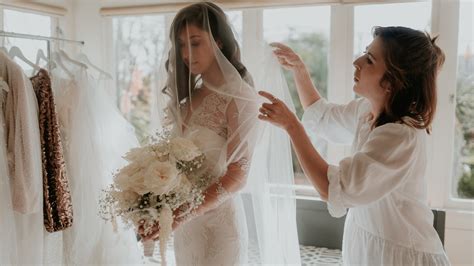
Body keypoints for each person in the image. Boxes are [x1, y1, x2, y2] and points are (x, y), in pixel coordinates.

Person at [259, 26, 450, 265]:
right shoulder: (367, 112)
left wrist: (292, 127)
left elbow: (333, 188)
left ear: (391, 82)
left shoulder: (400, 136)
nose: (356, 62)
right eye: (364, 53)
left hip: (400, 255)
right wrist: (299, 70)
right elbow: (324, 116)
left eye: (369, 60)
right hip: (368, 244)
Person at [140, 2, 301, 265]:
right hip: (185, 229)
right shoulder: (188, 100)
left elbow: (238, 176)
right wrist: (154, 207)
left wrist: (182, 214)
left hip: (219, 228)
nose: (186, 53)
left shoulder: (240, 98)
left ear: (220, 43)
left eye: (195, 42)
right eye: (181, 44)